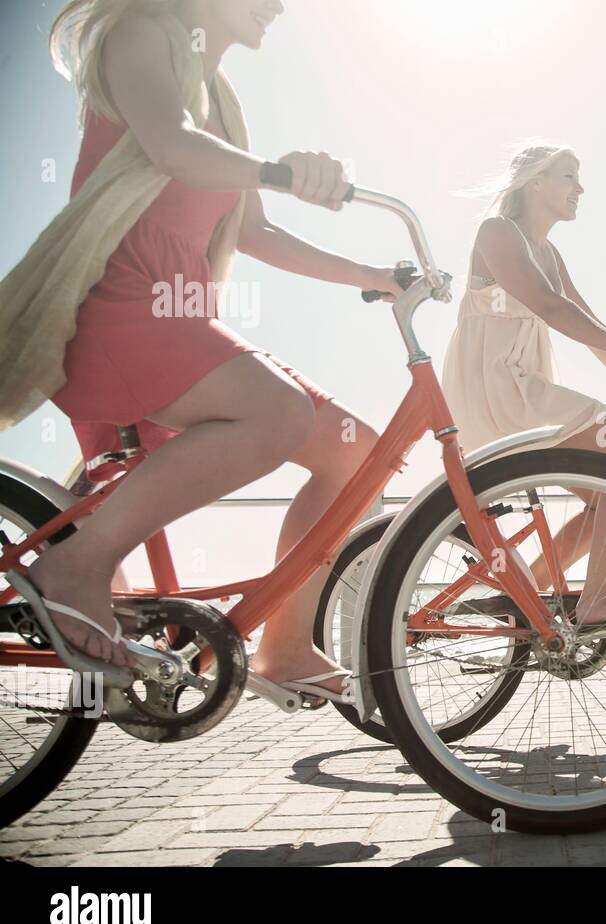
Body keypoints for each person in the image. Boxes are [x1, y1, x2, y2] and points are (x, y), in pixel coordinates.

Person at [9, 0, 406, 699]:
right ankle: (79, 564)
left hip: (183, 320)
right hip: (121, 308)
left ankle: (285, 645)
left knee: (357, 455)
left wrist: (374, 278)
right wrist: (280, 170)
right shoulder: (140, 36)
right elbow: (172, 144)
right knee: (278, 414)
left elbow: (256, 231)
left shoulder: (224, 100)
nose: (279, 5)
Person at [442, 144, 606, 627]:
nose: (581, 188)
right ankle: (598, 599)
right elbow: (553, 310)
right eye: (569, 177)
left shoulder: (549, 253)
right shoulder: (498, 233)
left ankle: (522, 590)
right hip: (497, 389)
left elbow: (590, 331)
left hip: (517, 390)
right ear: (534, 181)